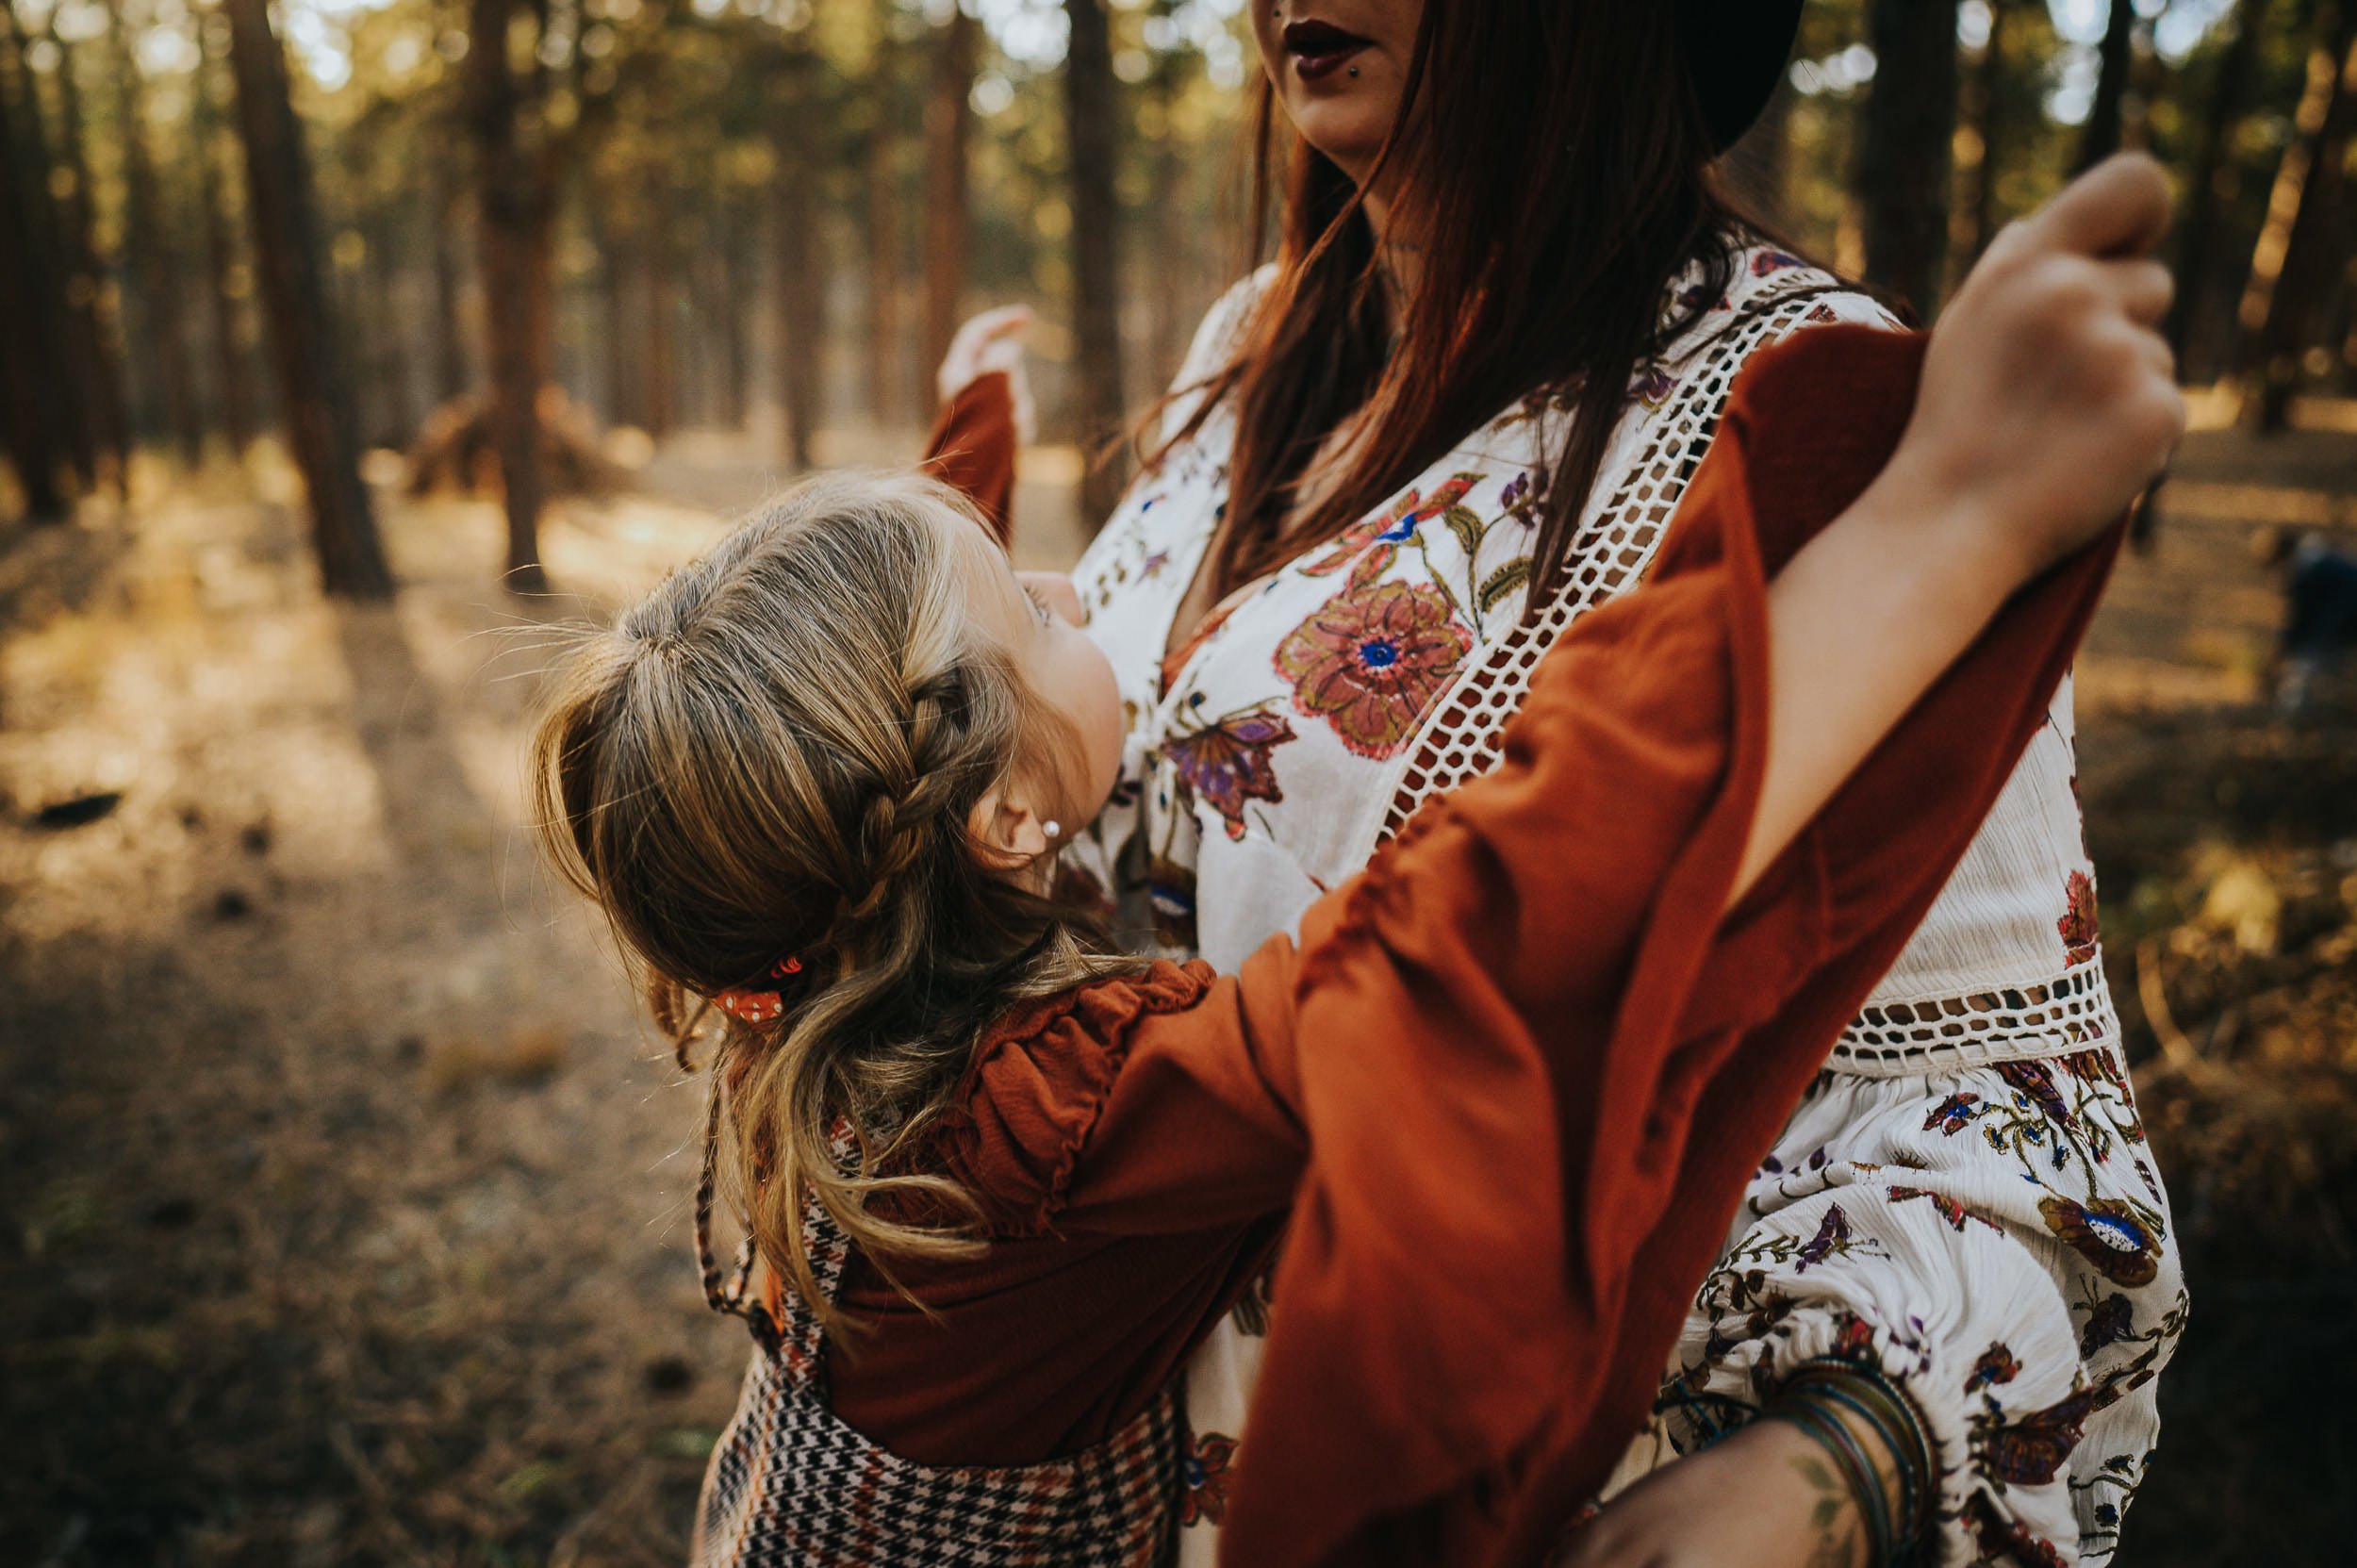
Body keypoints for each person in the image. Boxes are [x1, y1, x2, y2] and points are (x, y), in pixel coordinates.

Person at [534, 156, 2181, 1567]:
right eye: (1028, 600)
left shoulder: (815, 961)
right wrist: (1932, 530)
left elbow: (856, 728)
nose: (1068, 579)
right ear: (1002, 819)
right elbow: (1453, 947)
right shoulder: (1057, 1115)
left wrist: (970, 436)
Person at [925, 5, 2187, 1563]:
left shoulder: (1819, 417)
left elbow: (2029, 1131)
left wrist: (1825, 1470)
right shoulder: (1252, 342)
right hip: (1089, 1468)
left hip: (1475, 1477)